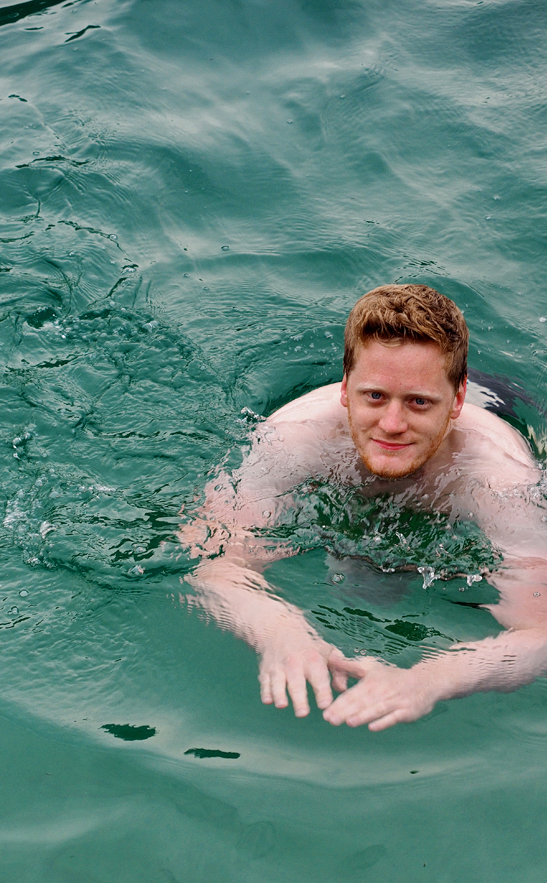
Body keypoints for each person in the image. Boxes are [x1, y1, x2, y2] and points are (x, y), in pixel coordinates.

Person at [184, 284, 547, 732]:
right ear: (344, 388)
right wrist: (279, 632)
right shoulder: (292, 439)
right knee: (360, 583)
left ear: (454, 401)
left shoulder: (499, 479)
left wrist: (430, 680)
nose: (392, 425)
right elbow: (213, 560)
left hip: (498, 402)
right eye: (374, 396)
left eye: (418, 402)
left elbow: (538, 633)